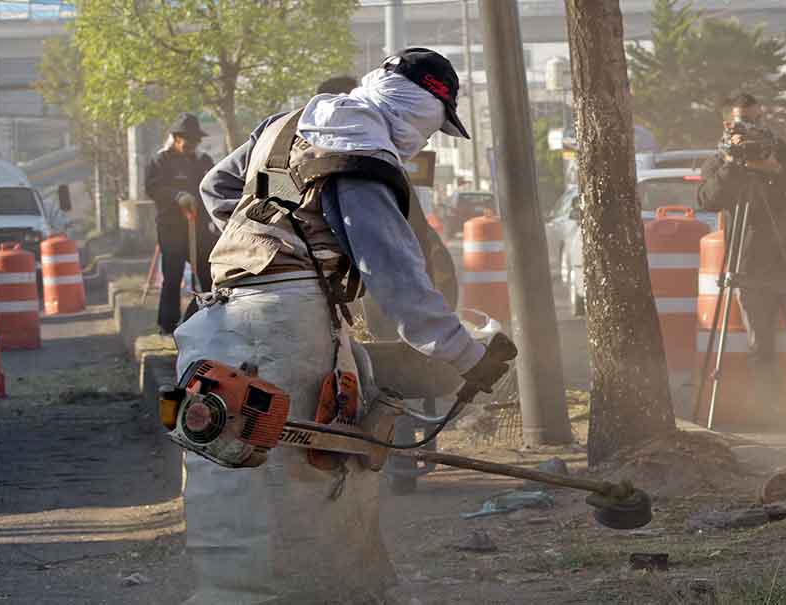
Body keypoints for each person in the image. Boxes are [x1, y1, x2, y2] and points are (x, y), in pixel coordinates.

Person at [185, 48, 511, 604]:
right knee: (310, 475)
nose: (429, 142)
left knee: (230, 467)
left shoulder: (288, 125)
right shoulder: (362, 155)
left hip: (220, 322)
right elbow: (395, 274)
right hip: (288, 329)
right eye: (435, 126)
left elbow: (217, 188)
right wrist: (467, 354)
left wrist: (273, 244)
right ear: (419, 106)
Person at [697, 93, 786, 429]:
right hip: (749, 264)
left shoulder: (783, 152)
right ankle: (770, 412)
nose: (753, 128)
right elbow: (706, 200)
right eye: (745, 121)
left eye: (757, 120)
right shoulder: (721, 160)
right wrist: (733, 166)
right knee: (761, 347)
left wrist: (775, 169)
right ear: (729, 124)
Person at [144, 113, 215, 334]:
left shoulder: (204, 161)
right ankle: (167, 324)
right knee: (172, 276)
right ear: (176, 138)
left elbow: (214, 186)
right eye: (188, 140)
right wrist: (177, 196)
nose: (192, 145)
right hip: (171, 228)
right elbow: (153, 188)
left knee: (209, 274)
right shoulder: (160, 161)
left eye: (196, 141)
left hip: (201, 228)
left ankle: (211, 317)